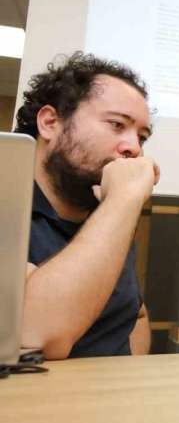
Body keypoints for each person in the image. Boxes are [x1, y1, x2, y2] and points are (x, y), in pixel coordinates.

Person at [15, 52, 158, 360]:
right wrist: (123, 200)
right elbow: (39, 335)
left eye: (142, 137)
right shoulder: (7, 207)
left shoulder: (106, 213)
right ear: (51, 123)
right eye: (117, 124)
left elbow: (136, 317)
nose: (134, 148)